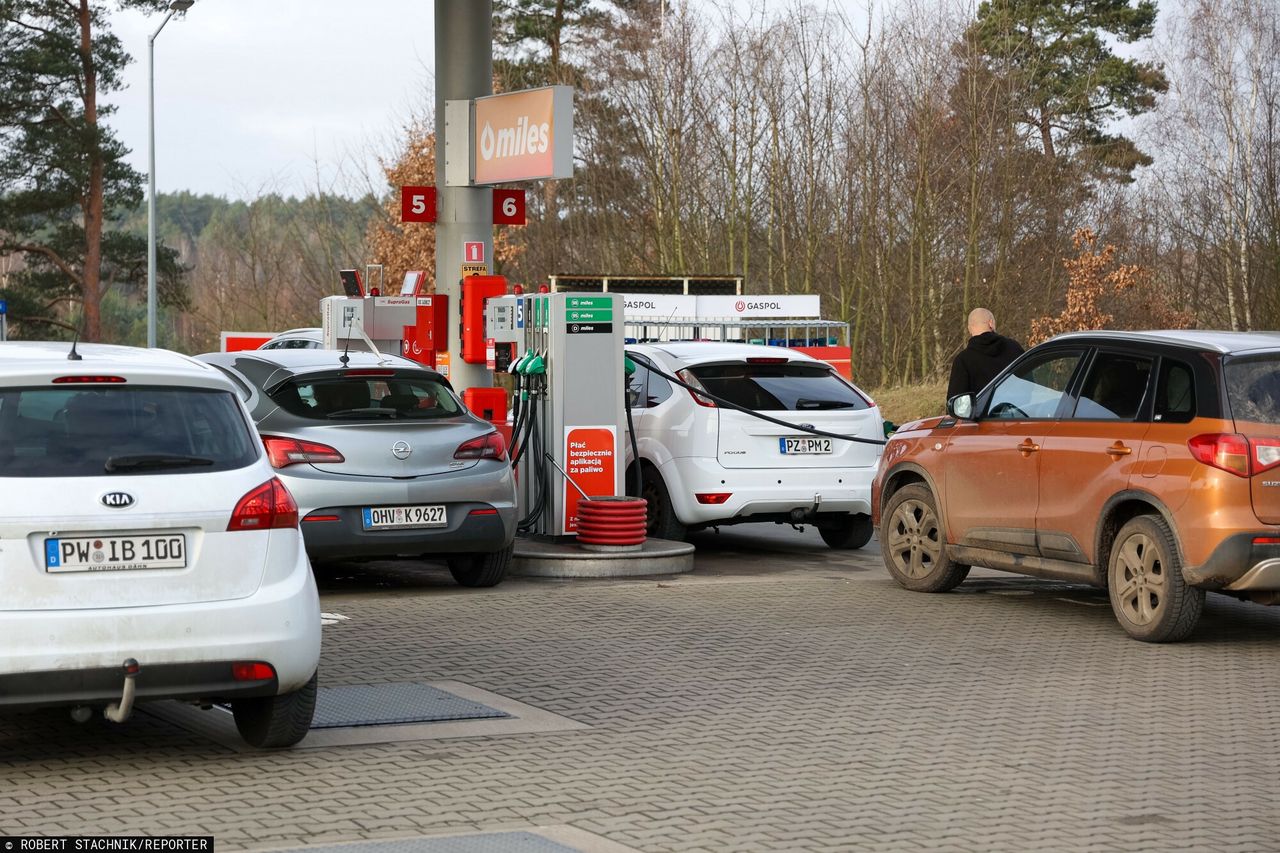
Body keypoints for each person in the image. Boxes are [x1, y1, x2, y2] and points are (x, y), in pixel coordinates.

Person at [946, 308, 1023, 400]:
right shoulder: (1014, 348)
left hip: (982, 414)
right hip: (1018, 411)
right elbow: (1028, 384)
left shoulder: (963, 360)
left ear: (969, 329)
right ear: (991, 323)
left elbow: (956, 404)